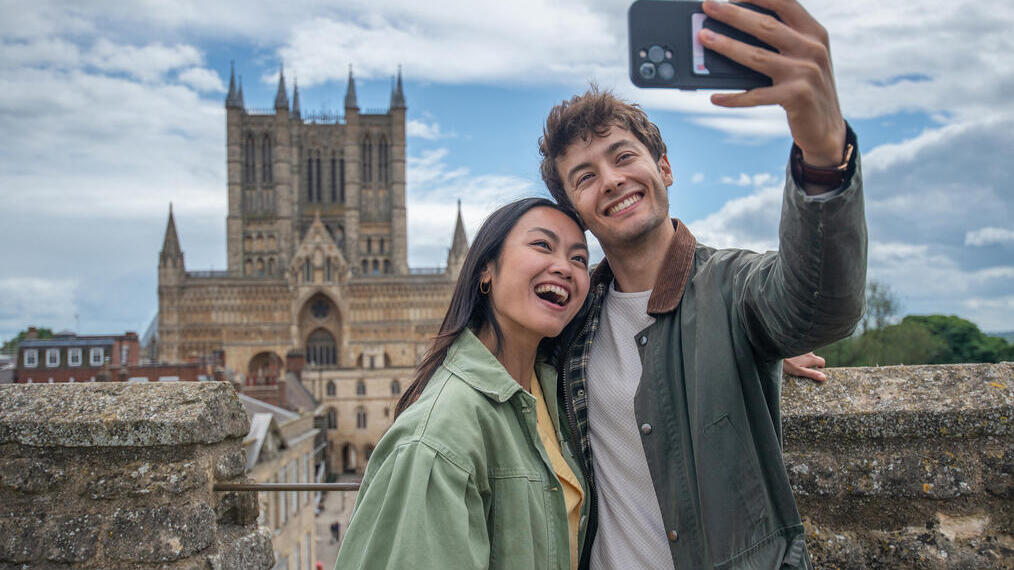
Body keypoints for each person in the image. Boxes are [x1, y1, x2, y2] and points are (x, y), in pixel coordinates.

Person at [538, 1, 866, 568]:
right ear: (575, 212)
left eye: (623, 156)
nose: (611, 180)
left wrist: (822, 152)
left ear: (663, 167)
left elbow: (821, 304)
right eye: (585, 177)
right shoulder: (570, 324)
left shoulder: (734, 290)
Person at [335, 198, 593, 569]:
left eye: (579, 258)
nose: (564, 268)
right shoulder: (438, 437)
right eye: (542, 245)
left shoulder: (552, 396)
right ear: (485, 270)